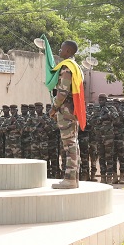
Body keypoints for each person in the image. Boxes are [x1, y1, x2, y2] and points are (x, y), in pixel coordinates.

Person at [49, 40, 85, 189]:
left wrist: (54, 108)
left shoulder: (67, 68)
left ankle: (69, 179)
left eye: (62, 48)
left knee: (69, 145)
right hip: (73, 110)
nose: (60, 50)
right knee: (73, 144)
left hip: (66, 111)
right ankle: (74, 178)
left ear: (69, 51)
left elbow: (62, 92)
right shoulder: (77, 67)